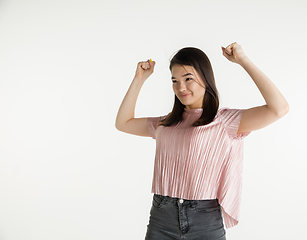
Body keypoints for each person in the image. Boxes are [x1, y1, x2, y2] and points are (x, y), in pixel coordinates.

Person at [115, 42, 289, 240]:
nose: (181, 87)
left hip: (205, 221)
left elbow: (279, 108)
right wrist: (139, 79)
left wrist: (242, 60)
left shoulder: (225, 121)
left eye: (188, 78)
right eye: (174, 80)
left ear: (205, 78)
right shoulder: (166, 123)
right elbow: (123, 123)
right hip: (161, 218)